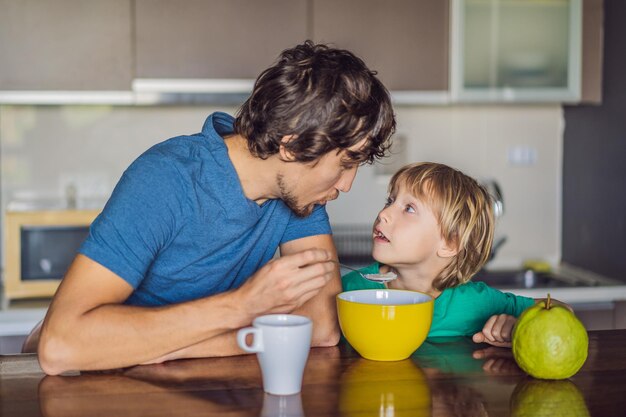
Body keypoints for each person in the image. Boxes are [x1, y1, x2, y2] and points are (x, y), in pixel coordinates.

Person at [29, 40, 396, 375]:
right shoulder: (166, 179)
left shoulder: (302, 194)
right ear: (292, 145)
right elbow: (60, 346)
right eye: (346, 164)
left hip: (173, 377)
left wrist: (175, 347)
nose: (346, 185)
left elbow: (320, 326)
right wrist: (242, 307)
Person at [342, 162, 565, 347]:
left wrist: (517, 326)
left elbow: (562, 311)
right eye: (390, 201)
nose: (383, 214)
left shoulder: (477, 303)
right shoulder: (350, 289)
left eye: (409, 208)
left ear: (450, 243)